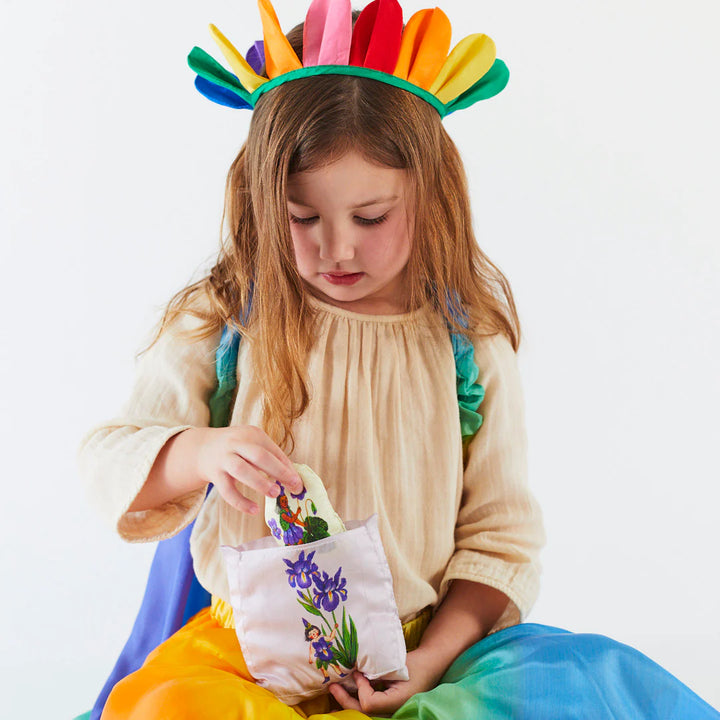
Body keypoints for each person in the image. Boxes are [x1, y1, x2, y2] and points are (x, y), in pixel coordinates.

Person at [77, 1, 720, 718]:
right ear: (261, 201)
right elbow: (110, 459)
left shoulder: (466, 339)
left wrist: (426, 662)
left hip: (421, 657)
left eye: (372, 216)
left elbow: (499, 541)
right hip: (243, 660)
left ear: (431, 194)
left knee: (561, 698)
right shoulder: (228, 316)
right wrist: (199, 452)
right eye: (303, 217)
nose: (338, 248)